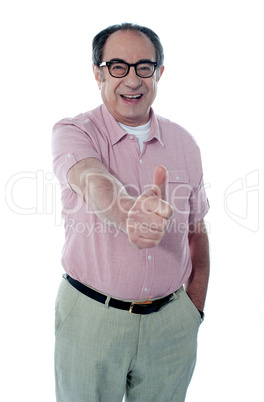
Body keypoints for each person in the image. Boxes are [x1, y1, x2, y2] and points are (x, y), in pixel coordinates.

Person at [52, 23, 210, 402]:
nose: (132, 79)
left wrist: (194, 310)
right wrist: (128, 214)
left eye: (144, 66)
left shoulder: (185, 143)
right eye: (117, 66)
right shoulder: (75, 132)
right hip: (92, 318)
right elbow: (91, 179)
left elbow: (197, 229)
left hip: (172, 323)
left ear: (159, 72)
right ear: (98, 72)